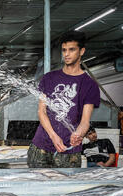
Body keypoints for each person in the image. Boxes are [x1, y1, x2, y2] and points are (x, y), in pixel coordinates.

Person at [27, 31, 100, 168]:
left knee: (67, 189)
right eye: (64, 50)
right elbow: (41, 111)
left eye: (71, 50)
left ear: (82, 51)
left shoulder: (89, 85)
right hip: (40, 147)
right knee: (36, 187)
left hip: (69, 152)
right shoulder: (49, 78)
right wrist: (53, 136)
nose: (66, 54)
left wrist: (78, 134)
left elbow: (85, 121)